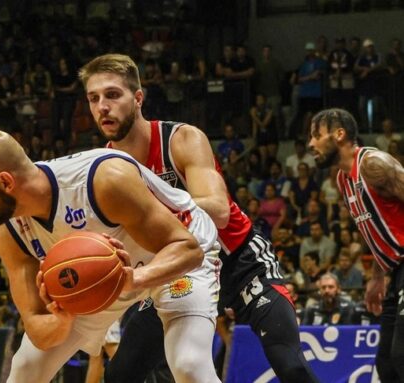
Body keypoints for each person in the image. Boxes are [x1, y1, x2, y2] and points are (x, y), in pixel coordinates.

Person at [80, 53, 319, 383]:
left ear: (138, 98)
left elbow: (218, 210)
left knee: (289, 363)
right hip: (182, 272)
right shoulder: (103, 168)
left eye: (112, 95)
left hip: (239, 260)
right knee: (121, 373)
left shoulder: (181, 139)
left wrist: (149, 213)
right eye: (93, 98)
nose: (102, 106)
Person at [0, 130, 221, 383]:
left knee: (189, 365)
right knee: (25, 369)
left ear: (6, 182)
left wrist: (135, 278)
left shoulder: (103, 180)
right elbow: (36, 326)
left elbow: (188, 249)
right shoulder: (8, 230)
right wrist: (61, 321)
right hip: (103, 277)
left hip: (174, 255)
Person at [308, 108, 404, 381]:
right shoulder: (343, 179)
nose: (310, 143)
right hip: (394, 271)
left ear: (339, 135)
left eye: (316, 135)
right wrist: (377, 277)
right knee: (386, 365)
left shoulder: (373, 164)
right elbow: (375, 230)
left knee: (401, 355)